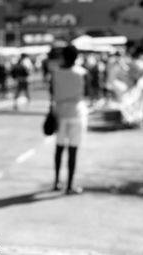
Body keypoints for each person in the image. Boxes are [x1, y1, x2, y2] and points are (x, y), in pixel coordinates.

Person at [51, 44, 88, 195]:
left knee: (59, 148)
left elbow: (51, 92)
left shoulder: (56, 73)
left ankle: (56, 181)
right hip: (77, 113)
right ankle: (70, 185)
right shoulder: (82, 73)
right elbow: (88, 91)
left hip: (60, 113)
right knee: (73, 150)